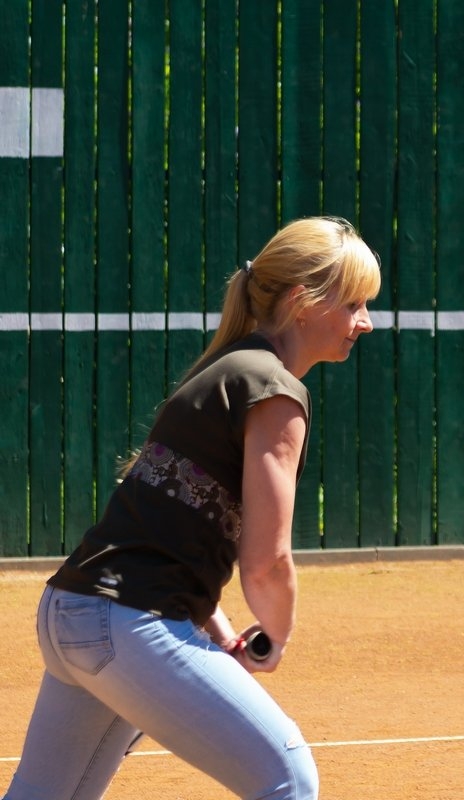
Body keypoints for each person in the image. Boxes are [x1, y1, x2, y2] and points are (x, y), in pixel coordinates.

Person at [4, 216, 380, 800]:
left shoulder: (226, 370)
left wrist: (220, 631)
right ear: (302, 302)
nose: (366, 321)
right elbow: (266, 563)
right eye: (354, 303)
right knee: (288, 779)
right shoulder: (275, 391)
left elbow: (167, 528)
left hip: (72, 610)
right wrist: (276, 636)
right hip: (126, 621)